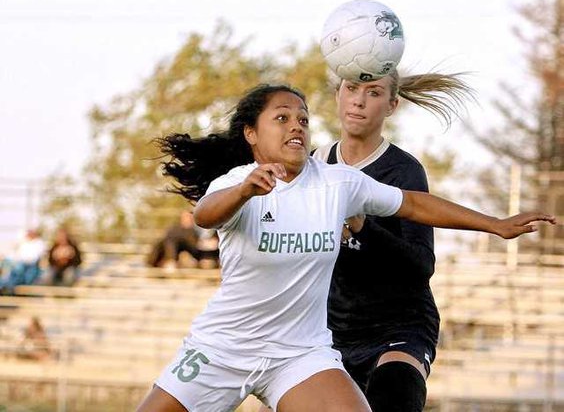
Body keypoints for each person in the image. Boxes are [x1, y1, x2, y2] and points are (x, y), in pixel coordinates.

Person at [136, 83, 555, 412]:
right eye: (281, 118)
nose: (296, 126)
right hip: (222, 349)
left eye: (302, 118)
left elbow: (411, 204)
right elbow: (206, 214)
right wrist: (245, 191)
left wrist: (495, 224)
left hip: (299, 354)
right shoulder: (236, 182)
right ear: (251, 133)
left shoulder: (336, 183)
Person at [310, 70, 474, 411]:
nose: (358, 100)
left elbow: (421, 266)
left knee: (394, 391)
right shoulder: (315, 164)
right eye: (352, 88)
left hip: (399, 327)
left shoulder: (403, 170)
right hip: (331, 331)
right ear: (337, 94)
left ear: (392, 105)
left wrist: (363, 228)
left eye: (374, 92)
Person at [0, 228, 46, 294]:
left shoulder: (39, 243)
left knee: (18, 271)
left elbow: (33, 258)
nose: (28, 234)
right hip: (20, 264)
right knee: (12, 267)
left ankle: (5, 286)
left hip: (31, 266)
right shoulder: (24, 242)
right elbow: (16, 255)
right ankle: (5, 286)